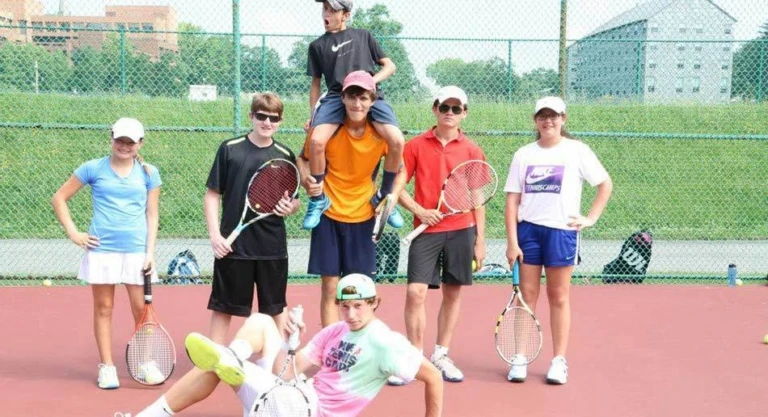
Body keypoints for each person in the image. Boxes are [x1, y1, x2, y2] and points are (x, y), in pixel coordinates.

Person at [134, 274, 444, 417]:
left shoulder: (385, 342)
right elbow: (288, 372)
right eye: (345, 307)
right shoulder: (335, 331)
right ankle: (232, 357)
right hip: (289, 397)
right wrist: (291, 342)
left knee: (220, 364)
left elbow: (433, 377)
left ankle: (231, 360)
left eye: (359, 306)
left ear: (375, 302)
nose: (351, 315)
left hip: (308, 410)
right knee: (261, 322)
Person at [503, 96, 613, 385]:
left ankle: (559, 361)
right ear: (535, 119)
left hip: (562, 233)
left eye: (553, 116)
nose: (548, 120)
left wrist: (590, 218)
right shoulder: (523, 154)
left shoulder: (577, 151)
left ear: (564, 118)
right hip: (528, 232)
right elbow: (512, 201)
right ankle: (520, 357)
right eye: (542, 115)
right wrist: (512, 242)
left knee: (559, 296)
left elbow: (605, 184)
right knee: (526, 297)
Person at [51, 117, 163, 389]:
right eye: (120, 140)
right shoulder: (93, 168)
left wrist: (150, 252)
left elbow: (152, 213)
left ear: (140, 143)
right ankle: (107, 367)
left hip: (137, 251)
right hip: (102, 251)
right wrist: (74, 233)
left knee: (143, 311)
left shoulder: (149, 173)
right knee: (104, 308)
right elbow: (59, 198)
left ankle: (146, 362)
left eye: (130, 141)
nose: (124, 146)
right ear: (111, 138)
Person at [389, 86, 487, 385]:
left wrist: (480, 241)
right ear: (435, 109)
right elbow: (397, 185)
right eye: (445, 107)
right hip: (426, 231)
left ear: (464, 114)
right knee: (415, 293)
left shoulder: (471, 150)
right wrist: (420, 209)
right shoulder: (416, 145)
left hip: (461, 230)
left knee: (452, 292)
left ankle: (441, 354)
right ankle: (415, 355)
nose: (450, 113)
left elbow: (477, 196)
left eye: (456, 109)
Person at [298, 71, 407, 327]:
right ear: (343, 99)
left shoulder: (381, 135)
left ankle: (359, 347)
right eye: (352, 97)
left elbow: (401, 169)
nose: (357, 104)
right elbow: (302, 158)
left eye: (364, 98)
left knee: (360, 291)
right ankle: (330, 349)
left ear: (372, 102)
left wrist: (390, 196)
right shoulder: (328, 132)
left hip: (364, 216)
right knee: (330, 287)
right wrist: (307, 179)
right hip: (329, 214)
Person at [204, 92, 301, 344]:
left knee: (275, 308)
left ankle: (279, 361)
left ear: (280, 121)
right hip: (233, 247)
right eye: (261, 116)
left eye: (273, 118)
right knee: (224, 306)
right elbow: (212, 194)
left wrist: (289, 207)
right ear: (251, 116)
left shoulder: (284, 154)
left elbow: (296, 200)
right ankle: (213, 357)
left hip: (271, 246)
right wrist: (216, 235)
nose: (267, 123)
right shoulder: (229, 149)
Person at [301, 0, 405, 231]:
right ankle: (318, 199)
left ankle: (384, 196)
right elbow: (315, 84)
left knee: (397, 140)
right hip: (337, 96)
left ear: (346, 14)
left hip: (368, 94)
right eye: (324, 9)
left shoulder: (363, 36)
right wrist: (313, 114)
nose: (325, 14)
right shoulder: (317, 46)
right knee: (317, 140)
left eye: (332, 10)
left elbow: (389, 66)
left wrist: (370, 83)